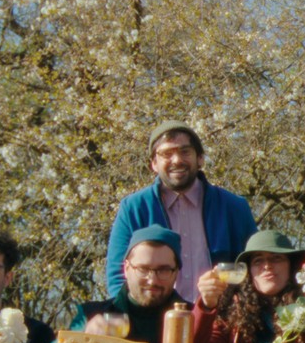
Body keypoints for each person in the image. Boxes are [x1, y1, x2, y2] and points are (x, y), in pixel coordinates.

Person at [103, 122, 258, 302]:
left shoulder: (234, 207)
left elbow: (253, 267)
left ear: (200, 158)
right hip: (157, 321)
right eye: (166, 154)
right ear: (154, 163)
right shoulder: (134, 208)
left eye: (185, 152)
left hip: (219, 321)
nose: (176, 160)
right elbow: (117, 275)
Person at [189, 229, 305, 343]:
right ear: (248, 272)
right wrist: (206, 306)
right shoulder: (233, 311)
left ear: (291, 266)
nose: (267, 266)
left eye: (276, 258)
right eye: (258, 261)